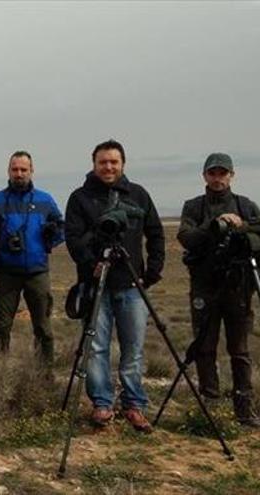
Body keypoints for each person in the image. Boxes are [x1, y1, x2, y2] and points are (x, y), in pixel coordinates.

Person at [65, 139, 164, 432]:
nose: (108, 167)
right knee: (96, 348)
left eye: (114, 162)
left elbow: (156, 233)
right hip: (96, 285)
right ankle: (102, 404)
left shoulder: (138, 195)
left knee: (133, 348)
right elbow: (72, 238)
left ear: (122, 164)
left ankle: (134, 404)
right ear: (93, 164)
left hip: (132, 283)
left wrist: (154, 270)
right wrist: (89, 263)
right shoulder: (80, 198)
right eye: (102, 162)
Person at [177, 152, 260, 427]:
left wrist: (241, 226)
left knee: (240, 350)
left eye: (223, 173)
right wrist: (214, 226)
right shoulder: (194, 207)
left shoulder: (246, 206)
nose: (217, 178)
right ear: (205, 176)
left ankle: (244, 409)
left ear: (231, 176)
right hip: (205, 286)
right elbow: (186, 237)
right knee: (204, 347)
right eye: (212, 173)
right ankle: (210, 407)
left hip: (238, 287)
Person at [0, 151, 65, 363]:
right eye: (15, 169)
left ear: (32, 171)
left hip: (37, 272)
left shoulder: (45, 200)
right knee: (1, 326)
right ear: (8, 171)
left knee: (43, 327)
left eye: (23, 170)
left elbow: (62, 228)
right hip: (7, 273)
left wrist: (49, 240)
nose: (19, 174)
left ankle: (44, 374)